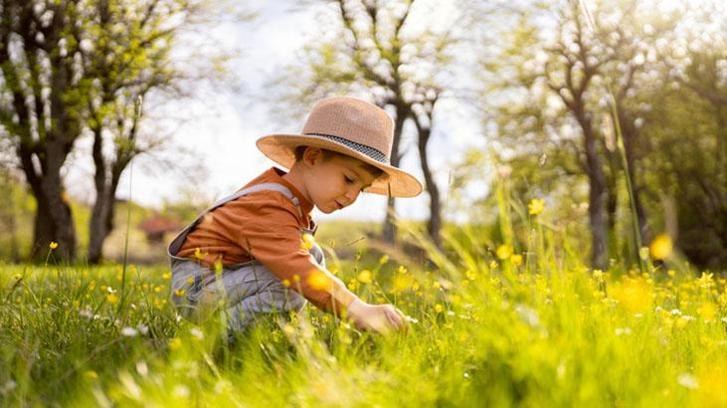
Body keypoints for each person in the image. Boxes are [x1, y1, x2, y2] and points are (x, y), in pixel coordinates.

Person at [167, 96, 422, 335]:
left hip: (222, 282)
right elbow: (297, 270)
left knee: (312, 254)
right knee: (290, 284)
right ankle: (211, 338)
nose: (352, 196)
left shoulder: (290, 204)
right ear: (312, 156)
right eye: (349, 179)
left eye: (361, 189)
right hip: (197, 290)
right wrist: (357, 310)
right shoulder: (268, 205)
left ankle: (279, 333)